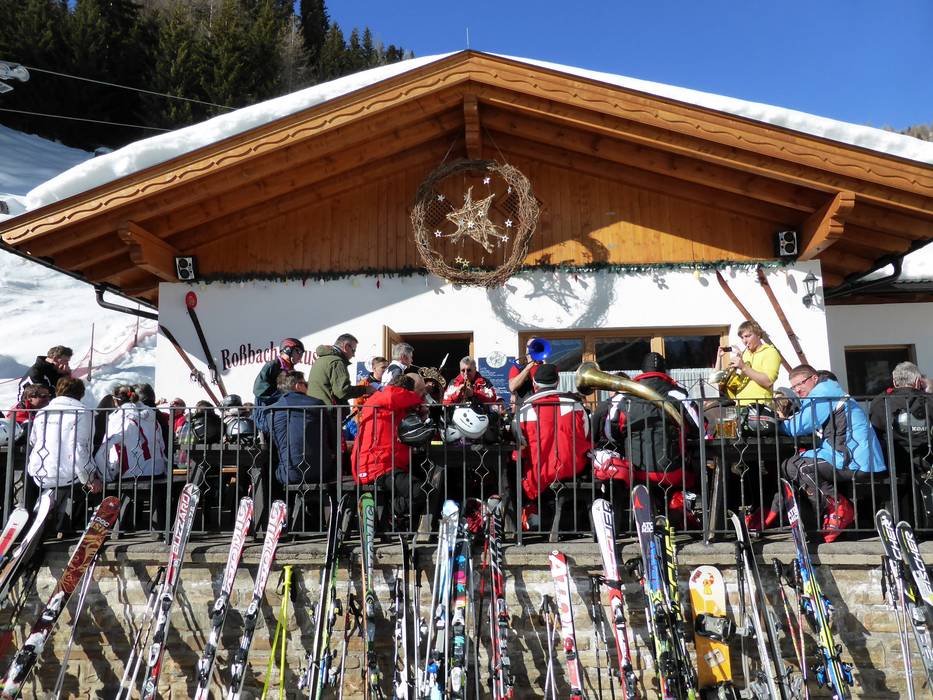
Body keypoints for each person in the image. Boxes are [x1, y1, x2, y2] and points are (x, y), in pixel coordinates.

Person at [756, 364, 886, 543]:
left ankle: (838, 509)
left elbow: (799, 425)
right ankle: (821, 518)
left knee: (796, 466)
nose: (797, 389)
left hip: (854, 459)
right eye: (793, 387)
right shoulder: (827, 393)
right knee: (793, 464)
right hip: (853, 456)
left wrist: (773, 425)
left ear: (814, 378)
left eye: (800, 383)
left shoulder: (824, 394)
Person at [593, 352, 701, 527]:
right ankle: (677, 504)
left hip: (636, 470)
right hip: (673, 470)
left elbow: (610, 433)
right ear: (665, 371)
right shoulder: (678, 395)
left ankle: (646, 515)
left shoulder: (624, 398)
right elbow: (699, 428)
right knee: (695, 466)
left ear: (642, 372)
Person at [515, 364, 590, 527]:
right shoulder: (576, 405)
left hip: (538, 473)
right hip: (573, 468)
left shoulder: (524, 410)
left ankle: (529, 520)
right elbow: (585, 435)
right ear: (557, 382)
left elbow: (520, 447)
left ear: (534, 383)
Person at [351, 372, 428, 527]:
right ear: (405, 392)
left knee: (421, 478)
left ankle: (391, 515)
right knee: (420, 490)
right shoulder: (387, 396)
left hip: (380, 464)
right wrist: (419, 399)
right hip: (378, 466)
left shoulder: (390, 404)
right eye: (420, 392)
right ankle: (389, 513)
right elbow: (393, 396)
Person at [26, 377, 102, 494]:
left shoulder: (42, 412)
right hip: (68, 476)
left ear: (58, 391)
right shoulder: (83, 413)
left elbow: (33, 441)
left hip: (39, 474)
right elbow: (79, 448)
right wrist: (89, 479)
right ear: (81, 394)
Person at [268, 370, 331, 486]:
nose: (307, 387)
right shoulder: (317, 404)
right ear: (298, 386)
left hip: (289, 473)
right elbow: (331, 436)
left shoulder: (272, 410)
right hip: (322, 471)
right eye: (306, 384)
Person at [868, 361, 933, 473]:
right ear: (917, 382)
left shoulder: (880, 401)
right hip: (927, 463)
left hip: (893, 466)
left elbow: (875, 434)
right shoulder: (929, 400)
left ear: (894, 382)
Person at [95, 385, 167, 481]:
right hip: (157, 472)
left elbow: (102, 452)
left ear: (115, 401)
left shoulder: (120, 418)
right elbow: (161, 445)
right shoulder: (151, 414)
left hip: (132, 476)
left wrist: (107, 477)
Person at [718, 321, 781, 404]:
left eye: (747, 336)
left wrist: (743, 367)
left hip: (759, 406)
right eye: (742, 337)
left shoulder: (770, 352)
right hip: (740, 405)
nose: (744, 341)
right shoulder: (745, 353)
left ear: (758, 334)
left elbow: (768, 382)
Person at [254, 338, 305, 407]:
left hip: (280, 407)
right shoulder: (272, 365)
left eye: (302, 353)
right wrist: (280, 399)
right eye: (298, 351)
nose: (300, 356)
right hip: (266, 408)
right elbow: (259, 390)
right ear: (287, 350)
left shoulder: (291, 369)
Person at [508, 338, 545, 406]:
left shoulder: (546, 367)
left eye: (535, 346)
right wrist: (528, 367)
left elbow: (554, 384)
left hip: (542, 406)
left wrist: (544, 362)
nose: (532, 349)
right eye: (529, 346)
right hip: (525, 408)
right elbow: (512, 387)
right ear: (526, 349)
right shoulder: (517, 368)